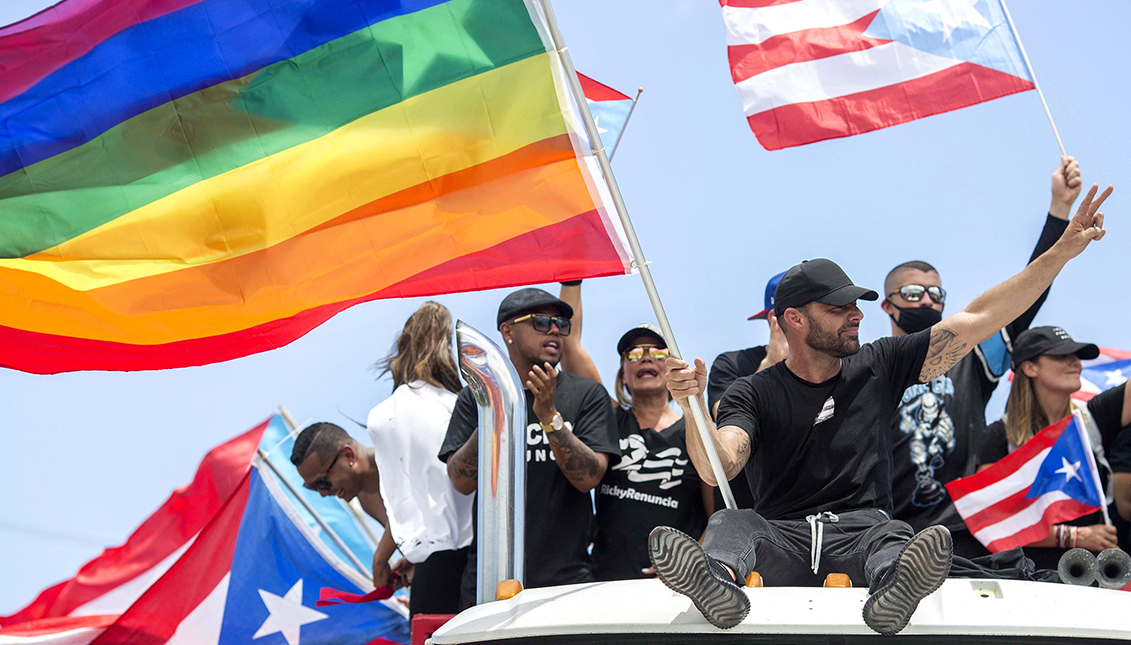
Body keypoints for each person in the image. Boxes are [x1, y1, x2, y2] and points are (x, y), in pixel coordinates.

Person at [648, 182, 1112, 635]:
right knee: (733, 522)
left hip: (862, 537)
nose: (857, 315)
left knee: (891, 536)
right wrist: (692, 408)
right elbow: (718, 467)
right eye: (838, 307)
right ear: (794, 318)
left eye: (857, 304)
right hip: (781, 539)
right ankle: (715, 583)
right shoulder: (751, 391)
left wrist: (1061, 252)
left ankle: (896, 591)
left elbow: (980, 318)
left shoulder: (880, 363)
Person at [884, 157, 1085, 558]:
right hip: (883, 530)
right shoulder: (871, 366)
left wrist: (1059, 212)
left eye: (936, 294)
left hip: (959, 531)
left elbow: (1023, 301)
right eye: (912, 294)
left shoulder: (973, 361)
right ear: (888, 306)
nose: (926, 300)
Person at [438, 288, 619, 608]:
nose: (555, 330)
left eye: (562, 324)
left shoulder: (587, 395)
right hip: (489, 583)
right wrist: (494, 407)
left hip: (566, 584)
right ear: (507, 331)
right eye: (541, 322)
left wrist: (549, 417)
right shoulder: (475, 397)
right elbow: (461, 482)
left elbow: (589, 477)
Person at [557, 283, 711, 581]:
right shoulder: (608, 418)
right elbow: (570, 346)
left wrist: (689, 564)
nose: (645, 357)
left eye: (657, 351)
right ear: (623, 376)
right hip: (604, 583)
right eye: (633, 353)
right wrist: (571, 277)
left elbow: (718, 515)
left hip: (675, 589)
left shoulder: (697, 431)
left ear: (673, 369)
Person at [977, 326, 1131, 571]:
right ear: (1030, 368)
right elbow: (991, 521)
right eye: (1061, 356)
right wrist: (1074, 537)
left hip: (1097, 582)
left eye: (1077, 355)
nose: (1075, 363)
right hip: (1027, 581)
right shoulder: (999, 436)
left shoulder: (1093, 419)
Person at [366, 301, 473, 618]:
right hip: (475, 558)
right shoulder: (462, 407)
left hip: (434, 562)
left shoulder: (385, 416)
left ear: (402, 345)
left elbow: (407, 504)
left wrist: (381, 558)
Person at [290, 423, 411, 596]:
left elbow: (409, 515)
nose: (323, 493)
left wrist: (380, 559)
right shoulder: (366, 498)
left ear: (348, 455)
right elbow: (412, 534)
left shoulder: (399, 457)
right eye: (313, 488)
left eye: (322, 482)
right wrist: (415, 562)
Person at [705, 271, 789, 511]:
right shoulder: (732, 364)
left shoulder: (828, 369)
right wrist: (771, 364)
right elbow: (725, 415)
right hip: (742, 517)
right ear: (776, 318)